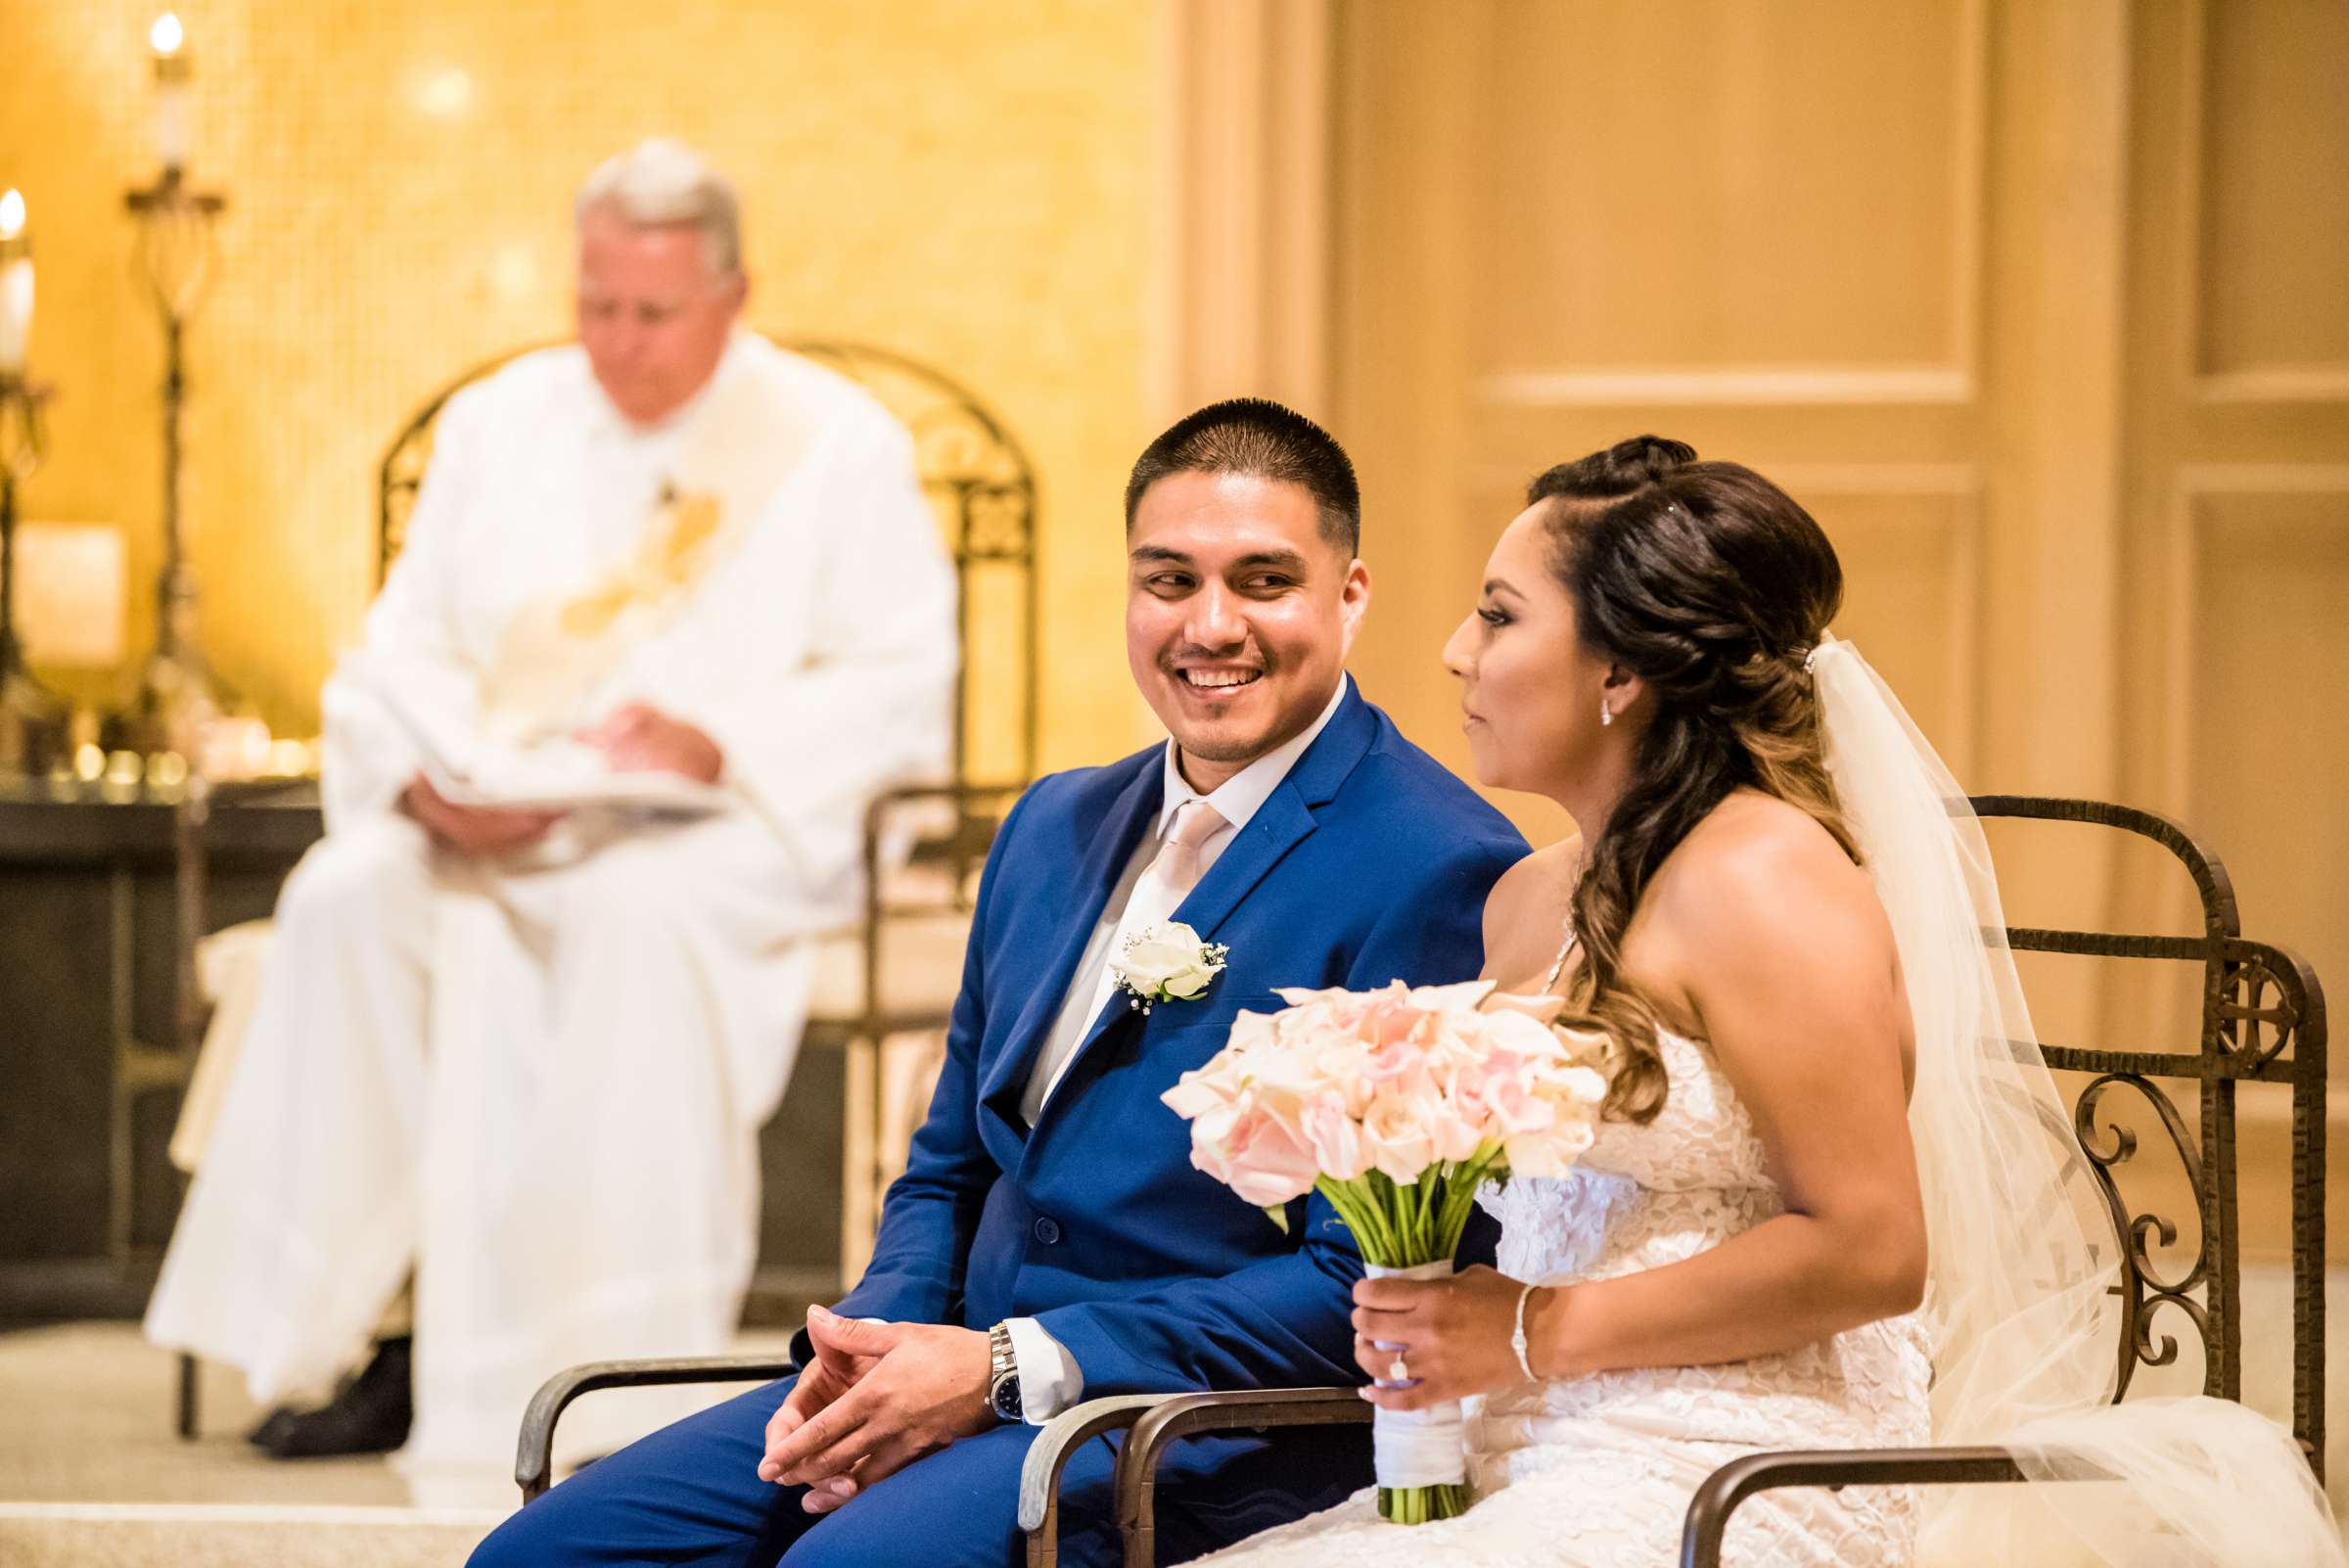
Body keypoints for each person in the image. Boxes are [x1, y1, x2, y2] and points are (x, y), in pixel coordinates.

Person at [1194, 437, 2345, 1567]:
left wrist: (1532, 1330)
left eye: (1499, 616)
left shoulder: (1761, 879)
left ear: (1619, 672)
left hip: (1738, 1469)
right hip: (1519, 1446)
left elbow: (1874, 1251)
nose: (1455, 652)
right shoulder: (1525, 902)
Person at [466, 397, 1530, 1566]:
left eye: (1263, 581)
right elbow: (949, 1166)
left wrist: (1013, 1367)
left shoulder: (1437, 866)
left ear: (1351, 594)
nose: (1210, 625)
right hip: (952, 1369)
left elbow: (1369, 1281)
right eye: (1168, 581)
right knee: (544, 1554)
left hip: (1186, 1428)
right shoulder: (1050, 825)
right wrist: (878, 1340)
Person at [142, 139, 958, 1479]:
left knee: (625, 918)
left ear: (732, 293)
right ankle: (366, 1333)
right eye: (596, 305)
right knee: (348, 896)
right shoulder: (500, 422)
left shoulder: (834, 444)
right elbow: (401, 650)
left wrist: (720, 743)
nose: (617, 342)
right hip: (501, 813)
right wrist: (427, 779)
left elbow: (901, 679)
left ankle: (607, 1371)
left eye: (653, 313)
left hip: (723, 832)